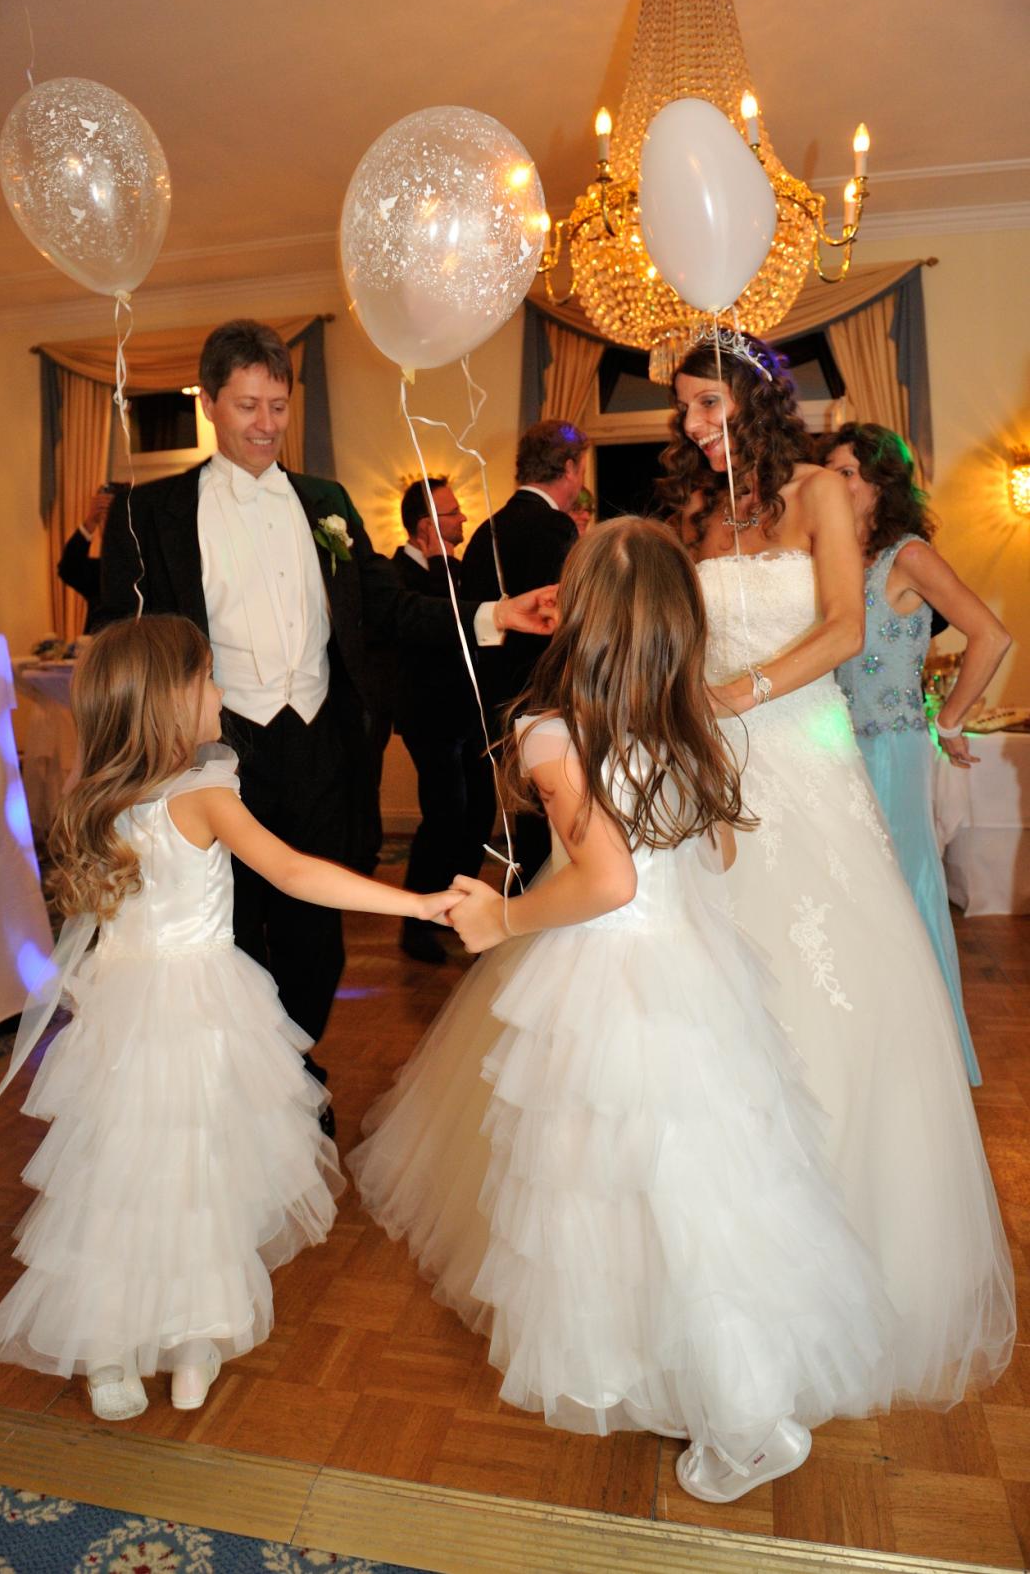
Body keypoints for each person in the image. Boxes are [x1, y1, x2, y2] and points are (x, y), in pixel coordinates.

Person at [351, 520, 898, 1502]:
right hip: (695, 970)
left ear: (582, 619)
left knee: (635, 1186)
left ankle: (744, 1418)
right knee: (704, 1185)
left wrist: (501, 917)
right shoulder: (688, 722)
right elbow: (713, 852)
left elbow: (606, 880)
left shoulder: (553, 733)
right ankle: (701, 1372)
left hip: (613, 980)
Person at [0, 616, 461, 1423]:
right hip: (196, 1012)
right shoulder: (203, 792)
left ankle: (128, 1348)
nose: (221, 691)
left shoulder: (99, 794)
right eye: (206, 678)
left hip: (121, 1016)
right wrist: (413, 901)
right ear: (170, 701)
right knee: (196, 1174)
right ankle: (178, 1341)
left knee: (120, 1177)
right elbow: (293, 871)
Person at [659, 331, 1014, 1407]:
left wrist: (740, 694)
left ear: (754, 401)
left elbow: (846, 627)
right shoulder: (695, 511)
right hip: (715, 766)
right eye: (683, 407)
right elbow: (678, 635)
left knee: (838, 980)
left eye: (707, 403)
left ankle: (856, 1248)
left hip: (806, 752)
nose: (691, 424)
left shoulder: (818, 491)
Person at [99, 321, 555, 1123]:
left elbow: (387, 608)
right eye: (248, 405)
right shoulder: (150, 511)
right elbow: (118, 639)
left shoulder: (327, 503)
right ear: (209, 404)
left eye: (278, 406)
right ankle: (242, 1087)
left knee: (316, 934)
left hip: (319, 744)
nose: (266, 424)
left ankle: (295, 1064)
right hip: (211, 752)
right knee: (229, 926)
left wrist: (493, 615)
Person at [827, 424, 1012, 1086]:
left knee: (900, 886)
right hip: (836, 750)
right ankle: (873, 1052)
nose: (834, 485)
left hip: (891, 749)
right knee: (853, 892)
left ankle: (924, 1061)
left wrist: (950, 716)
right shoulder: (838, 557)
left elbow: (991, 635)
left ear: (880, 483)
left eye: (846, 473)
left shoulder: (907, 556)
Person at [461, 420, 587, 885]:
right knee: (548, 824)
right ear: (569, 468)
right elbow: (564, 619)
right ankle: (536, 908)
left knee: (525, 821)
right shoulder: (553, 527)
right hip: (543, 698)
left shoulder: (487, 529)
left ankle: (522, 905)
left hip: (492, 700)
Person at [392, 477, 494, 965]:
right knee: (444, 817)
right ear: (425, 526)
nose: (463, 518)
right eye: (452, 513)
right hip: (429, 719)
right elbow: (440, 627)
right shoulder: (399, 575)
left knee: (479, 812)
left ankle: (456, 909)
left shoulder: (455, 568)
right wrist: (438, 563)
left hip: (467, 716)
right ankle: (416, 924)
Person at [57, 485, 118, 634]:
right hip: (100, 644)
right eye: (103, 518)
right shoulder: (101, 571)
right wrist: (90, 522)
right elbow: (68, 569)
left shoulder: (147, 566)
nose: (107, 525)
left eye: (113, 516)